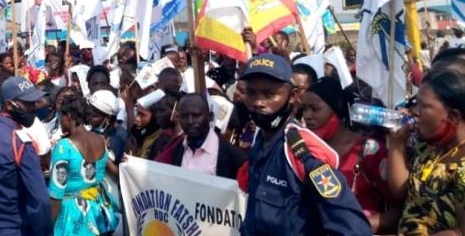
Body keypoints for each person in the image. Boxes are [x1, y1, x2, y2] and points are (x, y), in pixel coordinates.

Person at [239, 53, 371, 236]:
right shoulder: (260, 144)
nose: (258, 102)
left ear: (292, 96)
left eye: (270, 94)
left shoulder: (303, 152)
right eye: (251, 93)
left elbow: (354, 229)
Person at [302, 77, 397, 233]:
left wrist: (360, 225)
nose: (307, 116)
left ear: (337, 109)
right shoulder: (304, 150)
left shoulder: (369, 150)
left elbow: (398, 209)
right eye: (304, 109)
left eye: (315, 109)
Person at [388, 66, 465, 234]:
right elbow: (401, 193)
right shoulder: (430, 147)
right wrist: (396, 144)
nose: (414, 113)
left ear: (453, 116)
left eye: (423, 106)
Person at [0, 76, 51, 236]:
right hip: (18, 229)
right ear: (9, 104)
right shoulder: (21, 143)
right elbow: (40, 201)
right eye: (28, 104)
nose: (34, 108)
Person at [49, 95, 118, 236]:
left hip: (70, 218)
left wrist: (48, 227)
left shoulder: (64, 147)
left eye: (61, 116)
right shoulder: (100, 140)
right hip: (97, 213)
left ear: (68, 116)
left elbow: (56, 194)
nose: (60, 121)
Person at [155, 93, 246, 178]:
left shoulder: (233, 156)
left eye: (196, 116)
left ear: (210, 116)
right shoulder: (175, 150)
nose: (190, 121)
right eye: (185, 116)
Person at [86, 90, 128, 166]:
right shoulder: (93, 131)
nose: (89, 117)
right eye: (89, 111)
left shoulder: (120, 138)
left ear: (107, 118)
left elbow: (121, 175)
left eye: (95, 115)